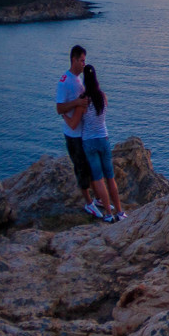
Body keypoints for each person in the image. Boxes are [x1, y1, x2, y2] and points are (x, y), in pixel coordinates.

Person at [55, 45, 102, 219]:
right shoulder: (65, 81)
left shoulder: (78, 79)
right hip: (73, 135)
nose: (84, 64)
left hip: (83, 133)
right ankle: (88, 203)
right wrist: (76, 103)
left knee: (89, 168)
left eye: (84, 60)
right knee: (81, 169)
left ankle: (97, 199)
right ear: (74, 59)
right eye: (81, 60)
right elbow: (59, 108)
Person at [79, 64, 124, 222]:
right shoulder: (103, 96)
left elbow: (79, 121)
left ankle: (108, 214)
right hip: (104, 139)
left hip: (89, 142)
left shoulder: (84, 100)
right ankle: (119, 211)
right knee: (110, 178)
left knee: (98, 179)